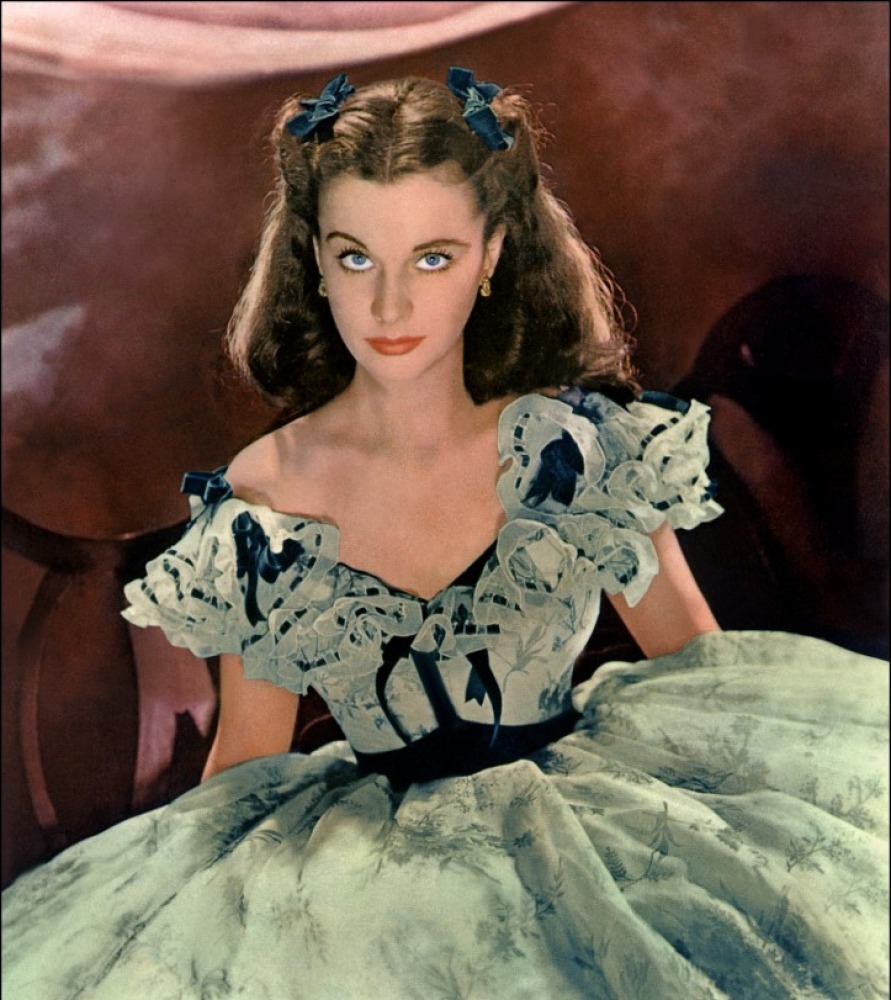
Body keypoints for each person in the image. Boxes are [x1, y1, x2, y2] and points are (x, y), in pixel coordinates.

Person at [2, 68, 887, 1000]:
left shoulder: (576, 445)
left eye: (432, 259)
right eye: (356, 259)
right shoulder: (266, 494)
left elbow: (701, 674)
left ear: (492, 254)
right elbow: (248, 765)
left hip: (592, 838)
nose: (390, 308)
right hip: (366, 882)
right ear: (313, 261)